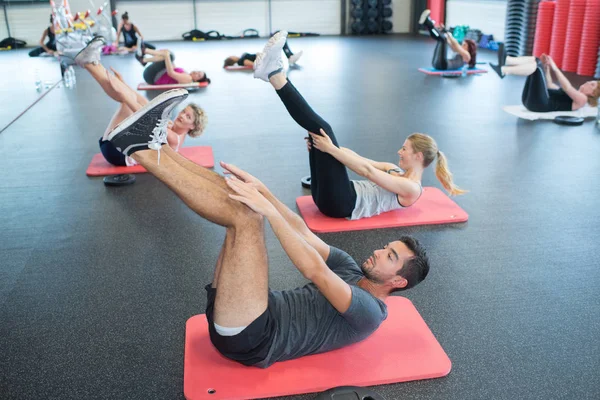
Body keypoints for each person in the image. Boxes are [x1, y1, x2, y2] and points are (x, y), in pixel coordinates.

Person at [103, 88, 430, 368]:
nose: (377, 251)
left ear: (398, 281)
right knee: (244, 201)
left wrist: (267, 212)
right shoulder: (349, 266)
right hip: (246, 308)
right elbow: (301, 230)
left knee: (248, 218)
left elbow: (314, 270)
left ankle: (141, 150)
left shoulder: (369, 312)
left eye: (389, 256)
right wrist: (264, 191)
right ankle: (151, 146)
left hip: (252, 337)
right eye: (386, 248)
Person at [252, 31, 465, 220]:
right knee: (318, 134)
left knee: (323, 128)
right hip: (329, 196)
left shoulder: (411, 189)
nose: (399, 151)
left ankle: (275, 75)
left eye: (405, 149)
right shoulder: (394, 170)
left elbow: (367, 171)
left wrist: (332, 150)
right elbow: (360, 159)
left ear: (419, 156)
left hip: (341, 204)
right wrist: (327, 149)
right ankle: (274, 75)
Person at [71, 38, 207, 167]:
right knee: (129, 96)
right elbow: (148, 106)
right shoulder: (177, 129)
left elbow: (146, 115)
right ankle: (91, 63)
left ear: (193, 127)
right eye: (184, 112)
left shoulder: (173, 138)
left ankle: (90, 63)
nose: (182, 115)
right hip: (120, 147)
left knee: (126, 99)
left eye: (188, 117)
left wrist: (123, 91)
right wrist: (123, 84)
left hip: (117, 153)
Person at [490, 50, 600, 112]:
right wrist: (547, 68)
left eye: (591, 84)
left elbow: (567, 87)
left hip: (539, 105)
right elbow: (550, 85)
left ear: (593, 93)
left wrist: (555, 67)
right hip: (531, 102)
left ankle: (504, 70)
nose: (587, 83)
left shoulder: (583, 99)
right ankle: (507, 61)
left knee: (536, 68)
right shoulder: (576, 95)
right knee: (537, 61)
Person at [138, 47, 210, 86]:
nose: (196, 73)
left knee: (170, 56)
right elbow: (173, 67)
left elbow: (171, 73)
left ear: (197, 80)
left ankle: (145, 52)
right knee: (169, 55)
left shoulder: (188, 79)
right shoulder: (187, 74)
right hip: (153, 75)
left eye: (198, 75)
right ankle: (144, 57)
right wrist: (166, 54)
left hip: (152, 77)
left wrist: (167, 56)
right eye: (198, 71)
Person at [223, 39, 303, 68]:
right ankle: (290, 57)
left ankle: (290, 56)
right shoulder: (241, 61)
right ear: (232, 59)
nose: (232, 55)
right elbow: (255, 64)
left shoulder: (241, 57)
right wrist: (259, 56)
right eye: (231, 56)